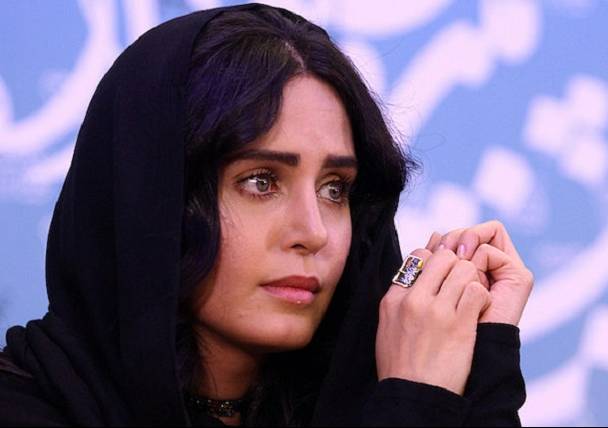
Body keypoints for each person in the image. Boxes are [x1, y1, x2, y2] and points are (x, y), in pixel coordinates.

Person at [0, 3, 533, 426]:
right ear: (151, 197)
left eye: (334, 189)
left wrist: (484, 370)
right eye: (261, 181)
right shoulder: (25, 406)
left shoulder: (353, 397)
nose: (313, 233)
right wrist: (413, 406)